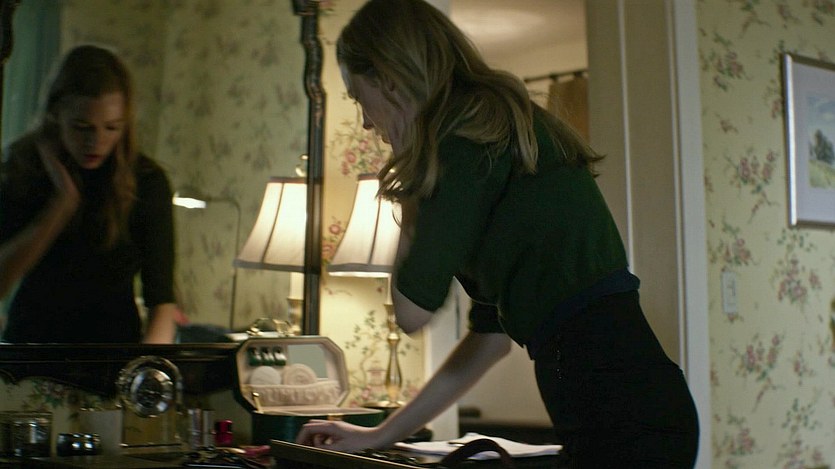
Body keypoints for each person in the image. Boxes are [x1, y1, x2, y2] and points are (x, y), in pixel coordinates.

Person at [295, 0, 699, 467]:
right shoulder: (486, 131)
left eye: (357, 96)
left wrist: (410, 183)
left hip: (625, 420)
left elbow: (410, 311)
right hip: (634, 411)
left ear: (388, 79)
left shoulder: (463, 141)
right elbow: (490, 341)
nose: (366, 120)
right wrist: (379, 434)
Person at [0, 45, 178, 344]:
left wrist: (148, 364)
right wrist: (61, 204)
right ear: (56, 114)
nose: (96, 142)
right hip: (32, 351)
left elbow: (161, 302)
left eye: (111, 128)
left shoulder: (147, 182)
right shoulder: (23, 170)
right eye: (82, 127)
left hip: (112, 355)